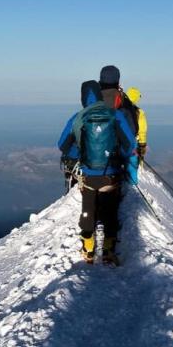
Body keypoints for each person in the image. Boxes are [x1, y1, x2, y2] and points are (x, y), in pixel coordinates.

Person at [57, 80, 136, 264]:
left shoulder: (78, 117)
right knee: (109, 210)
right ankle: (108, 249)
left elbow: (62, 145)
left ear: (83, 97)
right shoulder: (115, 115)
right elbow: (129, 145)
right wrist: (118, 158)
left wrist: (81, 154)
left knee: (88, 209)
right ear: (99, 95)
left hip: (88, 174)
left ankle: (89, 248)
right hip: (111, 173)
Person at [124, 86, 148, 185]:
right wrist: (142, 145)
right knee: (133, 164)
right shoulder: (139, 112)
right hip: (134, 143)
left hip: (120, 142)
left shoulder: (119, 109)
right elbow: (142, 131)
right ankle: (132, 184)